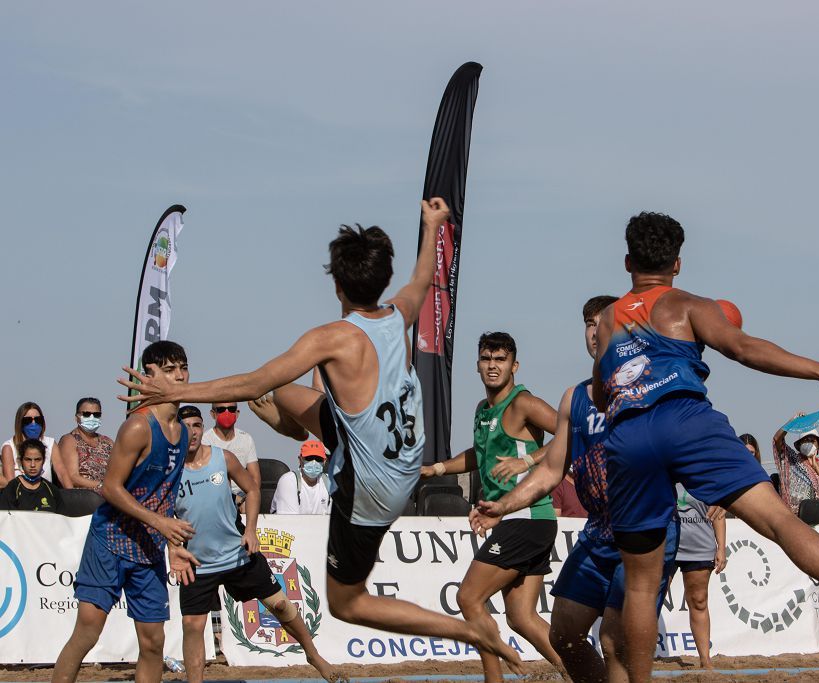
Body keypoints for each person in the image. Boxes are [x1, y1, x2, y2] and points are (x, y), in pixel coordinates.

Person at [117, 198, 522, 672]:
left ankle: (466, 629)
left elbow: (252, 382)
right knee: (288, 394)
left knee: (346, 603)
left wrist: (176, 388)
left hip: (371, 488)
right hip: (403, 458)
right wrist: (434, 225)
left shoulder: (331, 337)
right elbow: (423, 278)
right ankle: (294, 428)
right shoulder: (400, 312)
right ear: (382, 279)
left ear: (336, 283)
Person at [589, 211, 819, 682]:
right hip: (685, 420)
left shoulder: (607, 318)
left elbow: (603, 393)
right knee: (780, 520)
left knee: (641, 591)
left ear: (627, 261)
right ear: (678, 264)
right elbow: (744, 349)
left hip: (629, 434)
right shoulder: (688, 304)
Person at [471, 295, 678, 683]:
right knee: (562, 633)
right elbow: (552, 470)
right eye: (589, 324)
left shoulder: (655, 384)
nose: (595, 330)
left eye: (604, 322)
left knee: (615, 641)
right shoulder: (576, 397)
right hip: (598, 531)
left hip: (647, 529)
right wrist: (503, 505)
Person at [421, 332, 565, 682]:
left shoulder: (523, 403)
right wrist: (438, 468)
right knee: (521, 618)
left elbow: (570, 432)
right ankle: (579, 673)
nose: (492, 366)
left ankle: (494, 679)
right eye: (487, 359)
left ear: (514, 365)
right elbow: (478, 455)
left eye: (500, 359)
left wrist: (528, 459)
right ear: (478, 366)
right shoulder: (483, 410)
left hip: (527, 516)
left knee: (468, 598)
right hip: (523, 520)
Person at [53, 341, 196, 683]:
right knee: (87, 634)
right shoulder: (137, 426)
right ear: (151, 375)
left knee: (153, 643)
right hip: (110, 540)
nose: (180, 374)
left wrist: (172, 543)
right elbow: (111, 487)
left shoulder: (182, 431)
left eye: (183, 367)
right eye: (170, 368)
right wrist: (159, 522)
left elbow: (166, 492)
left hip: (147, 546)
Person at [173, 405, 338, 682]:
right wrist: (171, 546)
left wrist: (251, 529)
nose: (192, 432)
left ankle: (314, 655)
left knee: (281, 606)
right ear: (176, 430)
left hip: (238, 553)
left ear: (204, 428)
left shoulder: (222, 458)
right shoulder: (170, 470)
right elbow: (161, 513)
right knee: (192, 626)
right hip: (198, 562)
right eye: (186, 426)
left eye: (197, 425)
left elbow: (251, 488)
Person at [674, 484, 726, 670]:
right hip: (665, 544)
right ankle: (640, 656)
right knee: (651, 599)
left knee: (699, 600)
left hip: (699, 547)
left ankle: (705, 660)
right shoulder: (664, 466)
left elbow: (718, 514)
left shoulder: (704, 473)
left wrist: (721, 547)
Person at [202, 401, 260, 507]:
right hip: (215, 495)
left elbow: (255, 477)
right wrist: (234, 499)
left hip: (244, 493)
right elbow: (205, 480)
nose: (227, 413)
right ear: (213, 414)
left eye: (231, 409)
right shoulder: (205, 441)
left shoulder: (246, 438)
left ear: (237, 413)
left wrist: (248, 500)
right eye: (221, 410)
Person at [771, 422, 819, 514]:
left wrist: (816, 467)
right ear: (799, 445)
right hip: (796, 514)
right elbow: (777, 439)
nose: (809, 443)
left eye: (812, 441)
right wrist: (792, 422)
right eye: (806, 440)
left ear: (817, 446)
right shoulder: (791, 459)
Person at [1, 401, 64, 488]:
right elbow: (11, 484)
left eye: (38, 420)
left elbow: (62, 473)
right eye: (28, 420)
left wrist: (73, 496)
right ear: (20, 422)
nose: (33, 423)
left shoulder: (50, 443)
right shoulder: (9, 447)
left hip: (46, 497)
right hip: (21, 497)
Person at [57, 397, 114, 491]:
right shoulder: (70, 440)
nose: (92, 418)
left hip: (108, 497)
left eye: (96, 414)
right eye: (86, 414)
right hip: (82, 498)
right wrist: (101, 486)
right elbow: (72, 477)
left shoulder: (108, 442)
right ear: (76, 417)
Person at [0, 438, 63, 512]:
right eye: (28, 460)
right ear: (21, 461)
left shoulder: (52, 490)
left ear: (43, 461)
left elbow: (62, 520)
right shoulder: (12, 489)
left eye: (37, 459)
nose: (33, 465)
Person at [270, 439, 331, 514]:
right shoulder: (289, 481)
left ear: (324, 461)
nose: (314, 462)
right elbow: (289, 521)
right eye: (309, 458)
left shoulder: (330, 483)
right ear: (300, 460)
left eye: (318, 459)